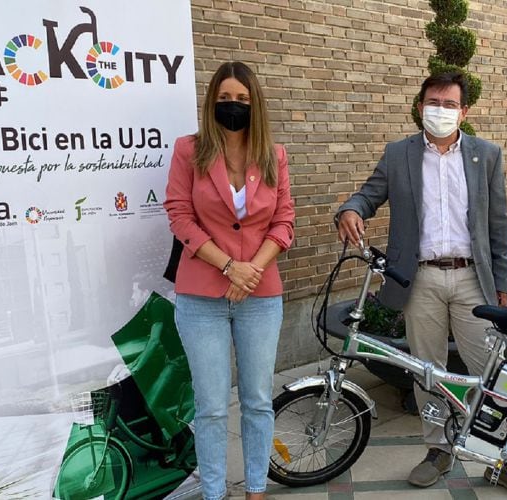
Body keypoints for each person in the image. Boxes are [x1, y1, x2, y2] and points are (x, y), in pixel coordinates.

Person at [335, 72, 507, 497]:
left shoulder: (486, 155)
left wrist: (503, 284)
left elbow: (499, 224)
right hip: (420, 279)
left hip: (472, 278)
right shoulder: (399, 153)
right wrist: (351, 210)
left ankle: (504, 454)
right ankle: (438, 449)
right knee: (428, 371)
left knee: (491, 370)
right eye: (434, 102)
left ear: (464, 111)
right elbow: (368, 194)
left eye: (450, 104)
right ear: (420, 107)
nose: (441, 110)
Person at [165, 61, 294, 500]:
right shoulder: (189, 150)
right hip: (201, 297)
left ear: (254, 103)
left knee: (257, 400)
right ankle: (214, 493)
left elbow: (284, 221)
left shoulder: (274, 156)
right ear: (211, 103)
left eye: (241, 98)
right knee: (212, 407)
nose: (233, 105)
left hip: (260, 296)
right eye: (224, 99)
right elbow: (179, 215)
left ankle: (256, 488)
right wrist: (229, 267)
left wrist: (250, 269)